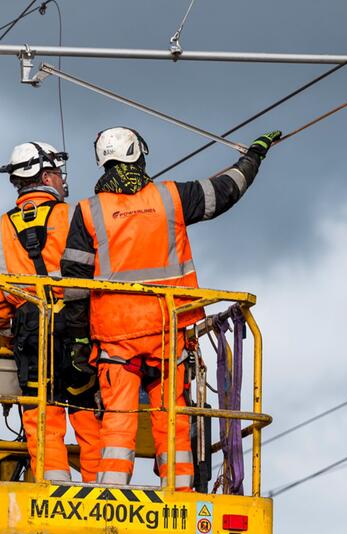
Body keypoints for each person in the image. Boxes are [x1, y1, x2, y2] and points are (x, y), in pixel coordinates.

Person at [60, 127, 280, 490]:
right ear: (138, 154)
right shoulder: (171, 197)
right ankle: (180, 494)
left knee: (118, 420)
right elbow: (226, 190)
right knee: (173, 419)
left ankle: (112, 496)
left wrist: (78, 341)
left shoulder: (88, 212)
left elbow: (74, 287)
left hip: (116, 342)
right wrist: (253, 156)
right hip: (167, 335)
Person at [0, 141, 102, 482]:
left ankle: (53, 486)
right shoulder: (75, 216)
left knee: (40, 413)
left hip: (30, 330)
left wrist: (13, 331)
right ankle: (100, 487)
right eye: (59, 174)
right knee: (89, 411)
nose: (63, 181)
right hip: (78, 325)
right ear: (46, 175)